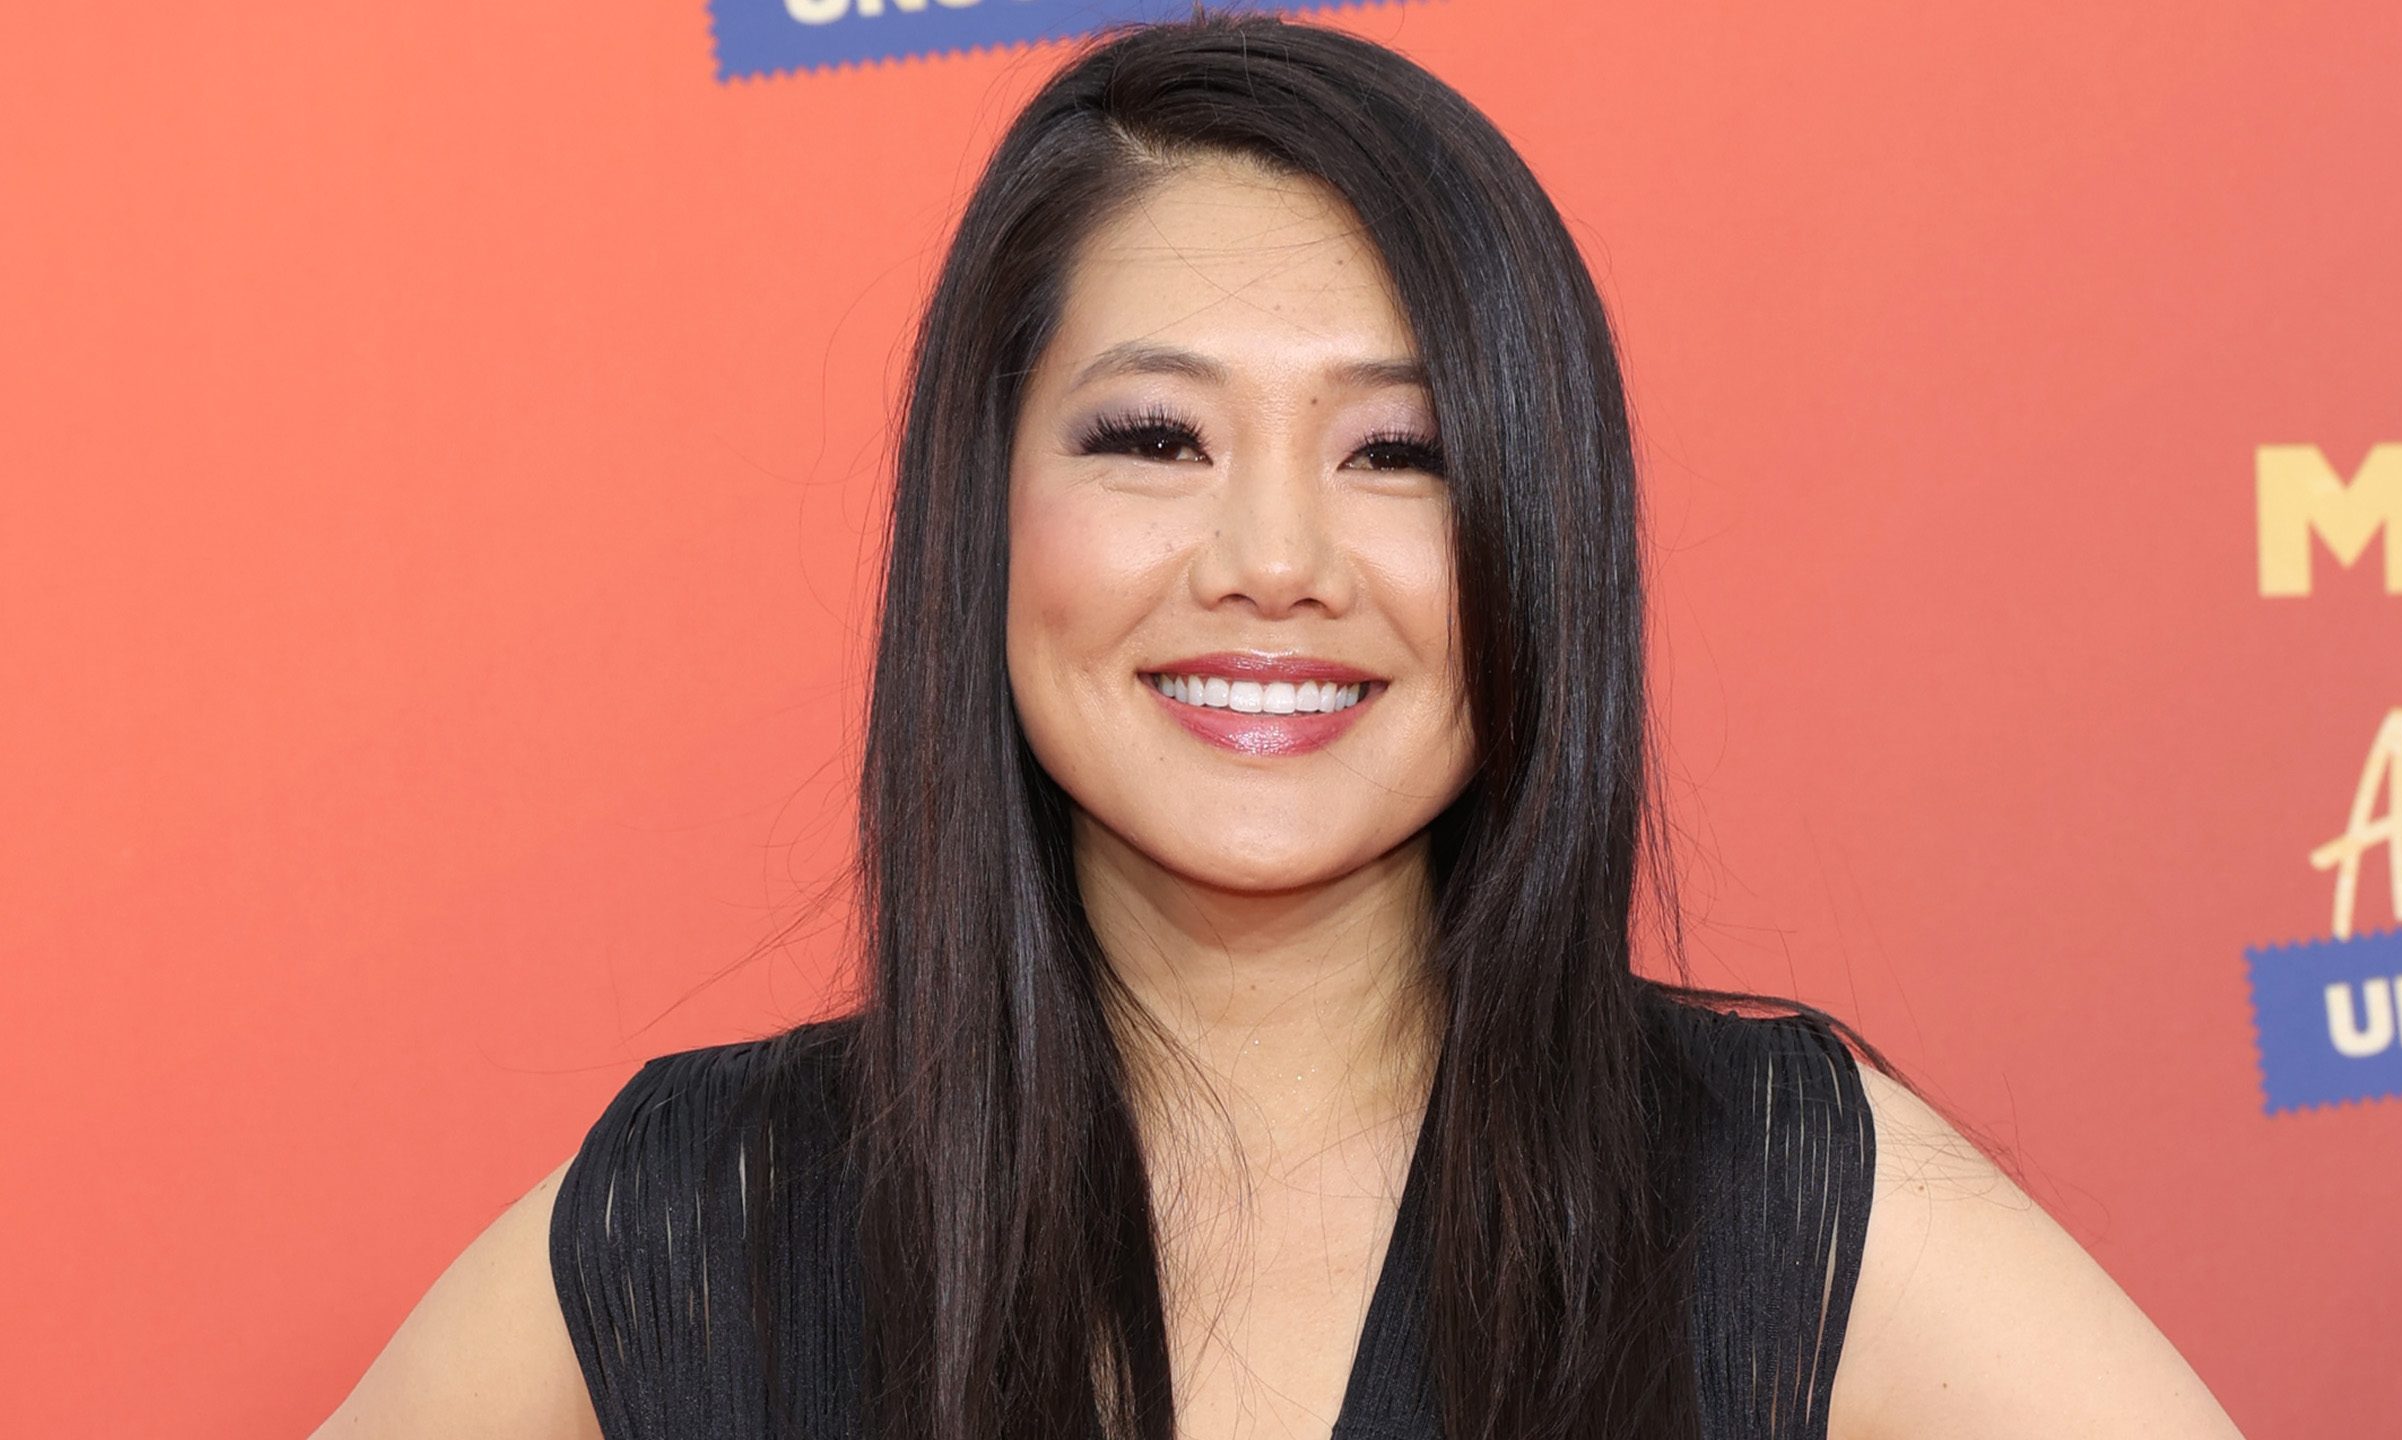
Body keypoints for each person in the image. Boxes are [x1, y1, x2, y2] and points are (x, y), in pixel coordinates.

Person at [312, 11, 2249, 1440]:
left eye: (1395, 452)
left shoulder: (1775, 1206)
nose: (1271, 561)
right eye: (1155, 437)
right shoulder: (718, 1220)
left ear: (1538, 538)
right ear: (983, 518)